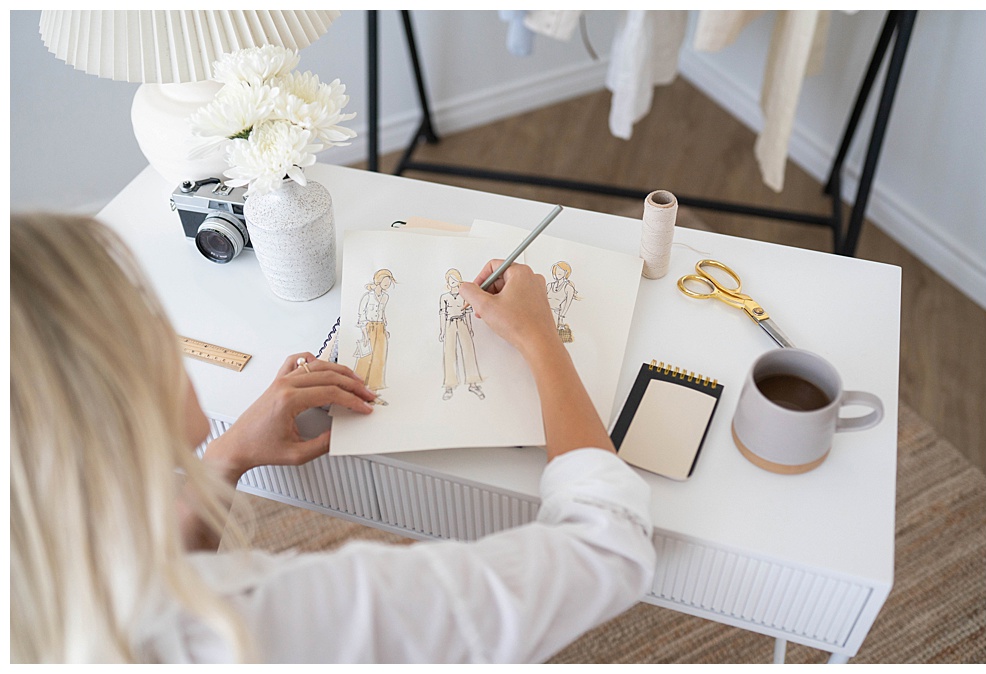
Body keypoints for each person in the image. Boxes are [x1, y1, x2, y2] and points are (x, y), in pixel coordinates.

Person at [11, 213, 655, 664]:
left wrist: (224, 461)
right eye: (152, 322)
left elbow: (154, 568)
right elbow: (609, 545)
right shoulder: (300, 618)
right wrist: (541, 339)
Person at [438, 268, 485, 400]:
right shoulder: (444, 297)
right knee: (449, 353)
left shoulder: (464, 296)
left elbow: (468, 313)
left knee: (468, 351)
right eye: (450, 280)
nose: (453, 282)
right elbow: (442, 314)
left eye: (455, 279)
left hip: (462, 322)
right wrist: (442, 330)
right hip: (449, 324)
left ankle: (473, 382)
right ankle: (449, 385)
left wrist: (470, 328)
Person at [355, 268, 396, 405]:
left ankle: (374, 389)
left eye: (389, 282)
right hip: (369, 327)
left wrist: (385, 327)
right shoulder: (367, 296)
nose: (387, 284)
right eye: (385, 281)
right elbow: (361, 315)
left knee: (380, 357)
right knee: (366, 357)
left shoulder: (385, 297)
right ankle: (358, 387)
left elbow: (382, 312)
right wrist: (364, 333)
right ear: (378, 281)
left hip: (381, 328)